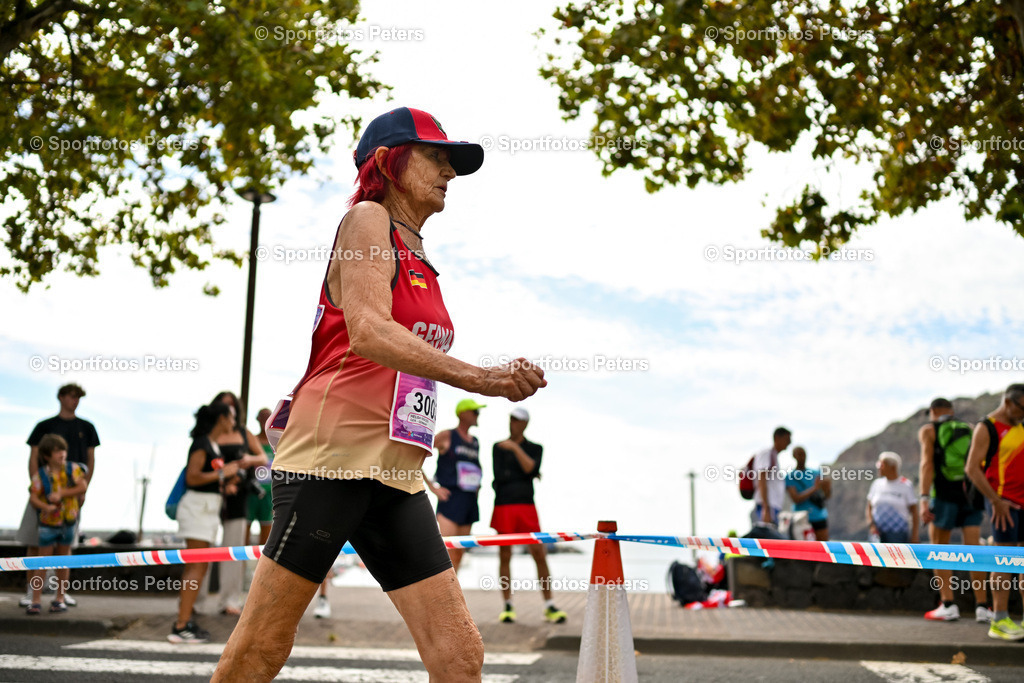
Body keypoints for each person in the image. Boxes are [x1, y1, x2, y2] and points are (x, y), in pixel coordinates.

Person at [211, 107, 546, 682]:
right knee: (262, 647)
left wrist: (497, 375)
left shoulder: (422, 258)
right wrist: (482, 379)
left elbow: (408, 358)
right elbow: (369, 331)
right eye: (436, 157)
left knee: (460, 654)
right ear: (390, 162)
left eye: (451, 163)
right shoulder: (367, 219)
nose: (449, 172)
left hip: (397, 475)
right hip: (331, 462)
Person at [17, 383, 100, 608]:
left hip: (71, 501)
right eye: (72, 396)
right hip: (42, 495)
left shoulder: (87, 427)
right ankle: (31, 592)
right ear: (61, 397)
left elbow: (90, 460)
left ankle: (60, 594)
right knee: (34, 543)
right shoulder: (44, 426)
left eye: (78, 397)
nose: (75, 401)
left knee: (65, 548)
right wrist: (39, 488)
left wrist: (82, 490)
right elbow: (33, 457)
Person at [170, 401, 241, 643]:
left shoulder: (212, 444)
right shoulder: (201, 443)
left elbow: (205, 479)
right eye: (232, 417)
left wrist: (224, 485)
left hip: (207, 510)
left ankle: (184, 621)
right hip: (197, 510)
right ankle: (181, 625)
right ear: (221, 418)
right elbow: (193, 477)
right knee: (196, 566)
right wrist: (223, 473)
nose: (234, 422)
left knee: (199, 567)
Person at [490, 407, 567, 624]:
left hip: (526, 505)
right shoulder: (498, 447)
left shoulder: (535, 448)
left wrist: (515, 448)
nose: (512, 423)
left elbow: (529, 468)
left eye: (517, 420)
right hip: (504, 505)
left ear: (525, 423)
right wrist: (529, 471)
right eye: (511, 419)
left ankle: (549, 605)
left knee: (539, 553)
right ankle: (507, 605)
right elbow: (504, 475)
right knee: (505, 555)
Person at [918, 397, 992, 623]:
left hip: (944, 495)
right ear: (951, 410)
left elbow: (927, 464)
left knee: (939, 549)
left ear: (933, 411)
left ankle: (948, 604)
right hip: (971, 494)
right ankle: (982, 607)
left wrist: (923, 498)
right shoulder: (970, 428)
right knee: (975, 550)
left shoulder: (929, 430)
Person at [964, 383, 1024, 642]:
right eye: (1022, 408)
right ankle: (999, 620)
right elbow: (972, 468)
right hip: (1003, 502)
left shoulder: (1020, 426)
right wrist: (995, 501)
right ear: (1009, 402)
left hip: (1022, 502)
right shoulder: (986, 427)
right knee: (1004, 558)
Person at [207, 391, 267, 616]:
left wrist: (247, 460)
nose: (227, 412)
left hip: (239, 497)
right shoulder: (207, 435)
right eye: (223, 407)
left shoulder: (243, 433)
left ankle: (230, 600)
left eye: (231, 407)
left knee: (234, 548)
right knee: (203, 549)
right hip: (210, 495)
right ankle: (199, 601)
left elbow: (262, 457)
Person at [25, 434, 88, 614]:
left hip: (68, 521)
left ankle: (60, 598)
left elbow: (82, 487)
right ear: (47, 455)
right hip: (48, 523)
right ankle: (35, 600)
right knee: (42, 561)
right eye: (57, 451)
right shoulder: (41, 474)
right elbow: (33, 498)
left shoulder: (73, 469)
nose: (62, 454)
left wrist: (61, 494)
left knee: (63, 560)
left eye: (63, 450)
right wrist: (46, 507)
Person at [428, 397, 486, 572]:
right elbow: (417, 453)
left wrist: (478, 488)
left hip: (469, 501)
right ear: (463, 413)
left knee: (460, 552)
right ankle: (438, 588)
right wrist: (432, 487)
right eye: (475, 411)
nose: (478, 415)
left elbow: (475, 468)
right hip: (450, 499)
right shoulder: (447, 435)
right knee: (446, 552)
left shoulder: (475, 441)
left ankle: (453, 588)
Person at [866, 452, 919, 544]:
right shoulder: (876, 484)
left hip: (898, 534)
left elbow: (914, 512)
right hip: (877, 534)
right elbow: (869, 507)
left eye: (882, 465)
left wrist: (914, 536)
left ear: (892, 467)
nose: (879, 468)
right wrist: (871, 525)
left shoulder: (906, 485)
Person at [785, 446, 830, 541]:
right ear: (794, 456)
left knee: (823, 547)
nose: (802, 457)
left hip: (819, 516)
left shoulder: (816, 473)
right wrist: (814, 488)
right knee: (803, 549)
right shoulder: (790, 477)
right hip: (800, 518)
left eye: (804, 454)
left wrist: (827, 487)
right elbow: (796, 499)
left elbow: (827, 496)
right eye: (799, 454)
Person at [247, 407, 275, 546]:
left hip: (269, 494)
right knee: (244, 533)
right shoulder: (252, 441)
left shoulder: (276, 444)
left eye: (268, 417)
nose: (265, 420)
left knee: (266, 539)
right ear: (257, 419)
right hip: (251, 492)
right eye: (262, 417)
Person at [753, 427, 792, 525]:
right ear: (777, 438)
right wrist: (766, 508)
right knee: (768, 531)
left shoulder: (773, 455)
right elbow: (762, 478)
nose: (789, 442)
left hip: (773, 505)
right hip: (769, 505)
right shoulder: (767, 453)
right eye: (787, 439)